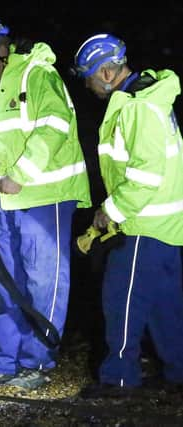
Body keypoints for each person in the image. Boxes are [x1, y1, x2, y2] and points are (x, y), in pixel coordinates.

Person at [0, 15, 92, 390]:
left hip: (46, 199)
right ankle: (3, 366)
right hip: (6, 204)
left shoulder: (38, 76)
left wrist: (21, 175)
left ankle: (37, 364)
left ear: (1, 47)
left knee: (43, 284)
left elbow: (56, 126)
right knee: (6, 286)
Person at [72, 33, 183, 397]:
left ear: (106, 72)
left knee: (122, 301)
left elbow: (145, 176)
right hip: (167, 225)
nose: (87, 86)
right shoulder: (151, 100)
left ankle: (118, 380)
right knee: (162, 304)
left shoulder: (136, 106)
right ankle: (176, 372)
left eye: (88, 77)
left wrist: (109, 212)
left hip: (142, 224)